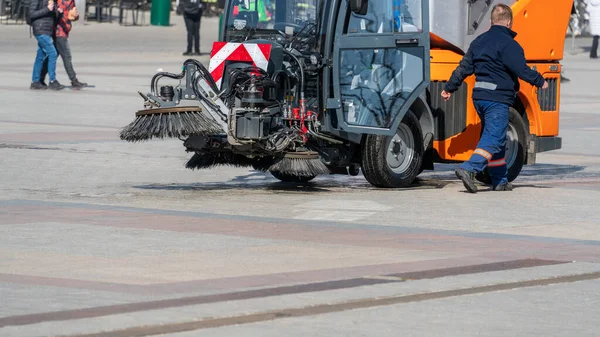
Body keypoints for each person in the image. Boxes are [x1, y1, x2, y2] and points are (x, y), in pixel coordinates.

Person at [441, 4, 548, 193]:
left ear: (491, 21)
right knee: (495, 138)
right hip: (497, 99)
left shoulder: (478, 41)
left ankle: (501, 180)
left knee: (495, 137)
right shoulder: (510, 45)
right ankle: (469, 168)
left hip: (479, 98)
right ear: (509, 22)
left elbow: (464, 67)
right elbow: (521, 70)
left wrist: (449, 87)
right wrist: (540, 81)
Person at [40, 0, 87, 89]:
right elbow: (55, 13)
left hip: (64, 31)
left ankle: (40, 77)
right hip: (59, 31)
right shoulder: (59, 1)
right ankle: (74, 80)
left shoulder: (71, 1)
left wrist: (75, 16)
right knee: (67, 56)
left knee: (53, 55)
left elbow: (72, 15)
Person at [29, 0, 65, 90]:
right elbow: (31, 14)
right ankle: (52, 80)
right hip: (40, 30)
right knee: (53, 53)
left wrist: (59, 12)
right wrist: (47, 9)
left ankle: (35, 82)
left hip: (47, 31)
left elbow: (52, 17)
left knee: (40, 56)